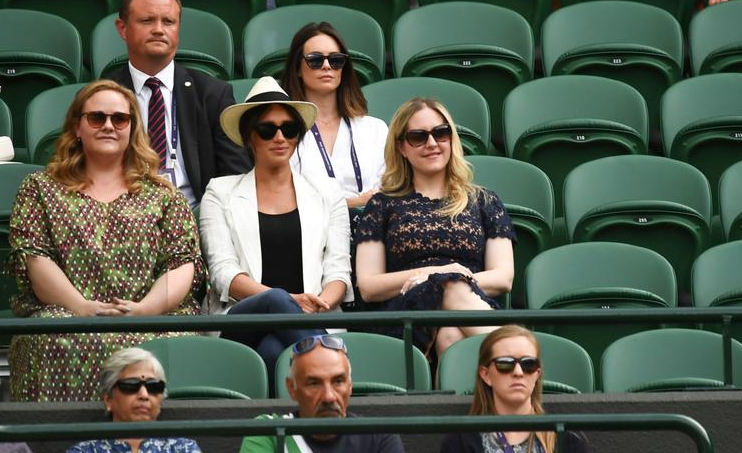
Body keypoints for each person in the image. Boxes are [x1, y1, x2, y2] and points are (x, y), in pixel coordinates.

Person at [6, 79, 205, 402]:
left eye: (120, 119)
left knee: (176, 339)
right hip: (68, 310)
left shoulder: (163, 194)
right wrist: (81, 308)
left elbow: (183, 264)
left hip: (153, 314)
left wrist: (144, 311)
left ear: (132, 127)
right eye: (97, 118)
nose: (109, 126)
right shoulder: (40, 188)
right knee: (54, 336)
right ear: (77, 126)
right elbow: (35, 258)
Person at [200, 76, 350, 375]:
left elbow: (338, 271)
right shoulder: (220, 192)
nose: (280, 138)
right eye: (267, 130)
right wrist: (284, 301)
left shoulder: (328, 192)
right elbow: (224, 274)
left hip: (312, 317)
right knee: (275, 300)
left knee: (273, 348)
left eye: (289, 129)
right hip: (241, 320)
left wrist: (314, 305)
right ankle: (335, 376)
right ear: (249, 137)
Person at [354, 98, 514, 356]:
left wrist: (449, 281)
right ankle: (513, 356)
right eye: (418, 137)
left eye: (440, 133)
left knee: (450, 333)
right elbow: (369, 286)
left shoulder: (485, 201)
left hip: (470, 305)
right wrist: (436, 275)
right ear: (401, 147)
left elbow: (503, 277)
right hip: (407, 313)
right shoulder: (382, 205)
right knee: (448, 289)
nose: (432, 143)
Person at [104, 0, 249, 206]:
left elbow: (236, 177)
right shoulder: (103, 95)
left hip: (196, 218)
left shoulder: (212, 94)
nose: (159, 29)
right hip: (124, 220)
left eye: (168, 21)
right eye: (147, 20)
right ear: (122, 29)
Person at [280, 22, 387, 210]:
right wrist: (354, 202)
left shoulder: (375, 129)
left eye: (336, 60)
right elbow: (284, 198)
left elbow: (388, 193)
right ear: (297, 68)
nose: (327, 66)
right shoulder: (281, 131)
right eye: (315, 60)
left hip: (372, 233)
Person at [238, 334, 406, 453]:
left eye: (338, 381)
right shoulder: (268, 433)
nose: (329, 396)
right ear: (292, 389)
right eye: (314, 383)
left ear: (350, 385)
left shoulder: (379, 436)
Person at [438, 326, 590, 453]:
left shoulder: (565, 437)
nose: (518, 372)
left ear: (537, 374)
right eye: (505, 364)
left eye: (528, 364)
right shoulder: (459, 442)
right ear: (486, 375)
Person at [67, 347, 202, 453]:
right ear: (108, 400)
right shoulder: (85, 451)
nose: (144, 394)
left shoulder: (183, 449)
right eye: (130, 385)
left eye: (153, 386)